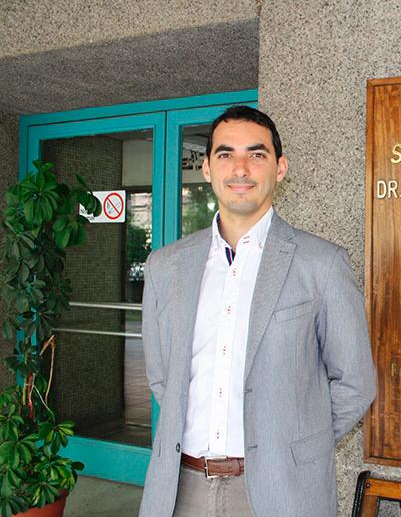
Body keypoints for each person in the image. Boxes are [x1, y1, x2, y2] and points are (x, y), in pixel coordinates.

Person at [138, 106, 376, 516]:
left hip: (282, 489)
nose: (240, 168)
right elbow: (163, 376)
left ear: (280, 168)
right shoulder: (165, 266)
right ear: (208, 169)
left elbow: (355, 382)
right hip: (181, 490)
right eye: (225, 154)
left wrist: (297, 442)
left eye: (257, 154)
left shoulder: (321, 264)